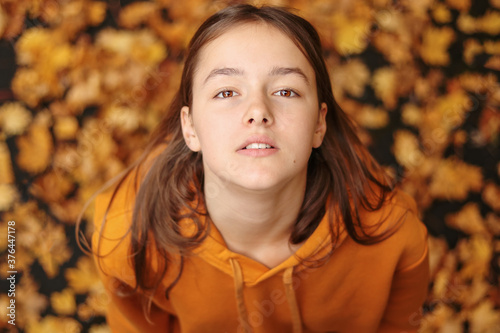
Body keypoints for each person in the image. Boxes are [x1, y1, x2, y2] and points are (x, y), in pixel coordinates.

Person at [89, 4, 429, 333]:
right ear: (190, 128)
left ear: (318, 126)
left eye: (285, 90)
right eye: (226, 92)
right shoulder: (126, 238)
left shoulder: (395, 238)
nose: (258, 111)